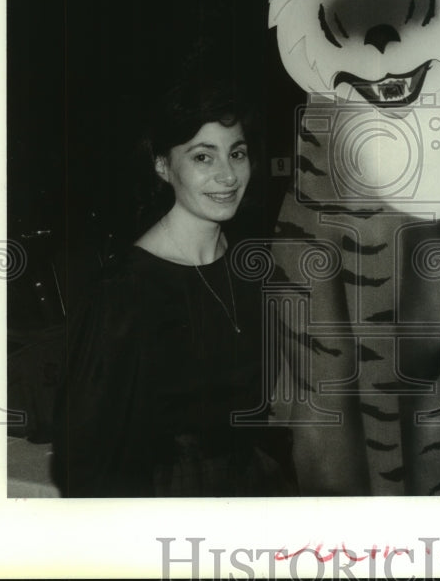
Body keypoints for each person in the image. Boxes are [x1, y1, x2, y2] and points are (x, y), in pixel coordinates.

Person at [50, 80, 296, 496]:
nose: (227, 175)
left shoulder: (255, 270)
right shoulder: (124, 293)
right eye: (203, 156)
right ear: (163, 166)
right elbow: (82, 458)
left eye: (237, 153)